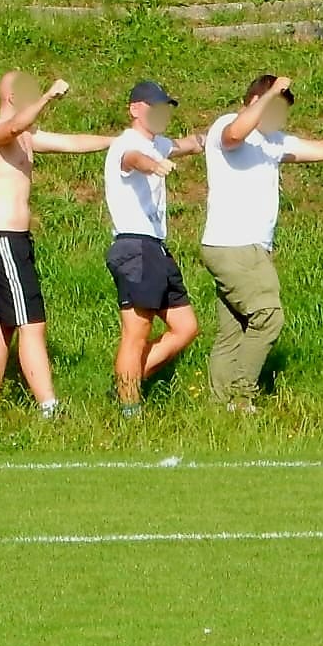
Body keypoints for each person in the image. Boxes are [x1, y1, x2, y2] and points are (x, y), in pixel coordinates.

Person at [198, 74, 323, 410]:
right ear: (257, 103)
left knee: (234, 330)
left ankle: (219, 405)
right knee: (269, 317)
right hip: (235, 246)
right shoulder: (227, 125)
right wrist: (272, 92)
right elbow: (235, 135)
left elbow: (318, 149)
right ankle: (243, 396)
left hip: (244, 248)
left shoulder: (273, 141)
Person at [0, 72, 115, 422]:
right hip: (2, 241)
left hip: (12, 242)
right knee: (31, 325)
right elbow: (15, 126)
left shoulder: (27, 138)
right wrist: (48, 97)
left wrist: (119, 139)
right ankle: (49, 407)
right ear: (11, 96)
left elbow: (72, 142)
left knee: (0, 328)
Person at [104, 80, 205, 415]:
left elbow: (189, 144)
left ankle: (127, 382)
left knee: (186, 327)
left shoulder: (158, 143)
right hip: (134, 245)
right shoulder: (127, 144)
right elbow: (134, 160)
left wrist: (222, 135)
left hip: (155, 247)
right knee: (137, 330)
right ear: (135, 109)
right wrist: (154, 165)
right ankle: (129, 405)